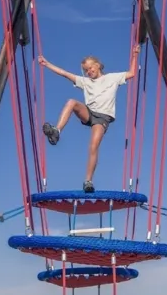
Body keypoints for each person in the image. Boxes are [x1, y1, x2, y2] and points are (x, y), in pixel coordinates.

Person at [38, 45, 140, 193]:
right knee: (72, 102)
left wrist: (135, 55)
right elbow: (65, 74)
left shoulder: (112, 78)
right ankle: (56, 131)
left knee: (93, 146)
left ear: (97, 66)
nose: (88, 72)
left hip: (102, 117)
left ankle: (88, 181)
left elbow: (131, 73)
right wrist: (47, 64)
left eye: (90, 68)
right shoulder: (85, 82)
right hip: (89, 112)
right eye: (86, 70)